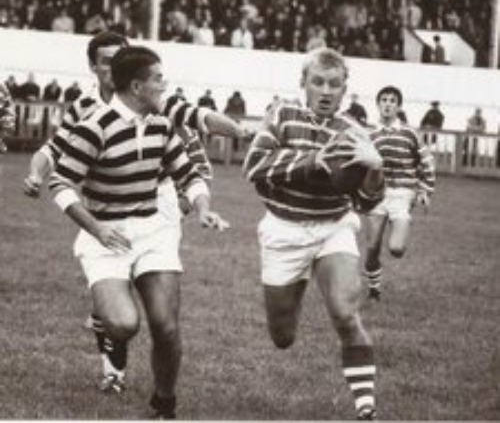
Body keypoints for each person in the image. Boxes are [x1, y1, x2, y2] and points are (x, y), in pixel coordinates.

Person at [23, 31, 244, 394]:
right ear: (96, 68)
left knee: (166, 324)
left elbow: (194, 143)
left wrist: (204, 205)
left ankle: (164, 406)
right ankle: (110, 313)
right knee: (124, 322)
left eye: (119, 58)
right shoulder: (89, 116)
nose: (113, 66)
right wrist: (92, 224)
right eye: (106, 61)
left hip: (155, 215)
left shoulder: (159, 113)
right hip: (106, 223)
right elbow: (58, 169)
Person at [243, 48, 385, 421]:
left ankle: (366, 407)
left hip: (332, 227)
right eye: (318, 82)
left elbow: (366, 202)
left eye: (334, 84)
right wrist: (311, 162)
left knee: (345, 313)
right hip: (283, 230)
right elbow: (253, 166)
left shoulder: (354, 133)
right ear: (303, 83)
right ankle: (298, 283)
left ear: (344, 90)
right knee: (282, 336)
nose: (325, 91)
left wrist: (375, 169)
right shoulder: (282, 115)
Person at [364, 86, 436, 301]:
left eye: (392, 101)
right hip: (377, 195)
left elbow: (427, 160)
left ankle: (401, 224)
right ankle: (374, 290)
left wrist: (425, 190)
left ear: (398, 106)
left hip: (403, 193)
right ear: (378, 104)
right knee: (372, 247)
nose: (387, 104)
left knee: (396, 249)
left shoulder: (409, 133)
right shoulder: (369, 135)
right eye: (384, 100)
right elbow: (359, 166)